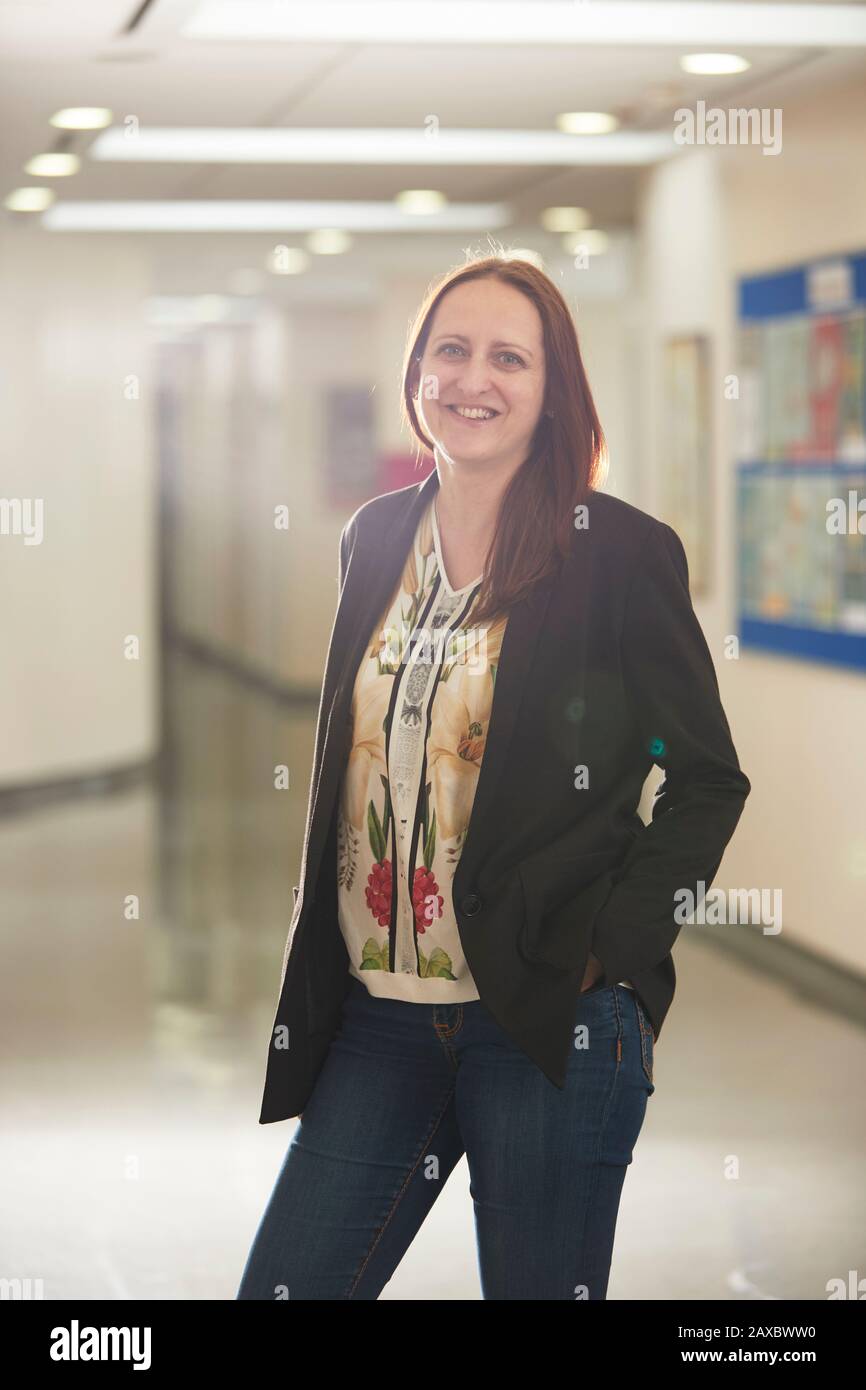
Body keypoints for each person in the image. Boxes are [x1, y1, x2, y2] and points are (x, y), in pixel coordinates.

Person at [236, 252, 751, 1300]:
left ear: (553, 390)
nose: (473, 379)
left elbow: (704, 777)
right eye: (452, 350)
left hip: (546, 1018)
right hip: (378, 1016)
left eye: (509, 358)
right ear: (416, 374)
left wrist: (611, 949)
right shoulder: (375, 537)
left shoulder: (618, 554)